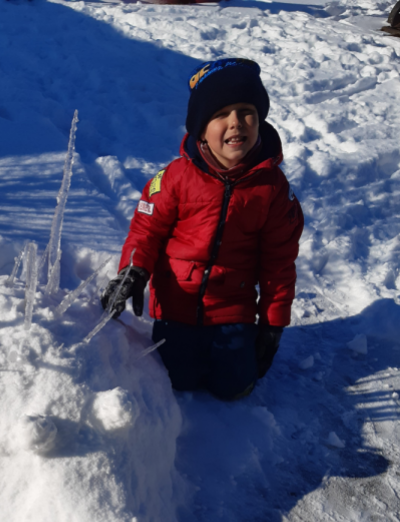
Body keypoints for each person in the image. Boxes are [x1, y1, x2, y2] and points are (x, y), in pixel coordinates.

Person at [101, 57, 304, 400]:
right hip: (177, 303)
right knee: (177, 379)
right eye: (220, 114)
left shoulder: (273, 188)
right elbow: (145, 231)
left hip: (233, 306)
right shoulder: (176, 178)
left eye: (246, 111)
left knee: (234, 388)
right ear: (200, 128)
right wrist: (133, 270)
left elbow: (279, 262)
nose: (236, 123)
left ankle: (239, 356)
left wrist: (273, 322)